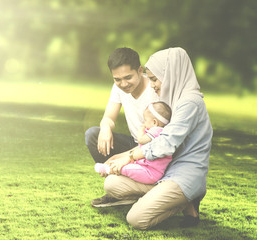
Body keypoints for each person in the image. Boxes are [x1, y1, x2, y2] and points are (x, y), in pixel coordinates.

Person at [89, 47, 213, 230]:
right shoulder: (174, 98)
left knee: (136, 219)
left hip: (183, 175)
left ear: (172, 74)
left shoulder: (190, 102)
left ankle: (185, 200)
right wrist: (124, 154)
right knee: (112, 183)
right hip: (164, 169)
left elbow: (166, 144)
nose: (152, 84)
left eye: (155, 79)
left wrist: (129, 157)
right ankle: (166, 197)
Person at [85, 47, 158, 166]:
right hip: (135, 143)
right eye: (117, 79)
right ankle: (112, 174)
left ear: (140, 70)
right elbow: (108, 117)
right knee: (92, 134)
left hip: (154, 146)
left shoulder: (155, 88)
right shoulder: (117, 88)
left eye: (128, 77)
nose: (123, 84)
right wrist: (105, 128)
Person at [95, 101, 173, 185]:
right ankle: (112, 167)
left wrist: (141, 129)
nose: (144, 123)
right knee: (130, 166)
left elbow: (141, 140)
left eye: (145, 120)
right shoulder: (158, 131)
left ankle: (110, 169)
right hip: (146, 167)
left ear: (154, 122)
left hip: (150, 172)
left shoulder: (157, 131)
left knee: (128, 169)